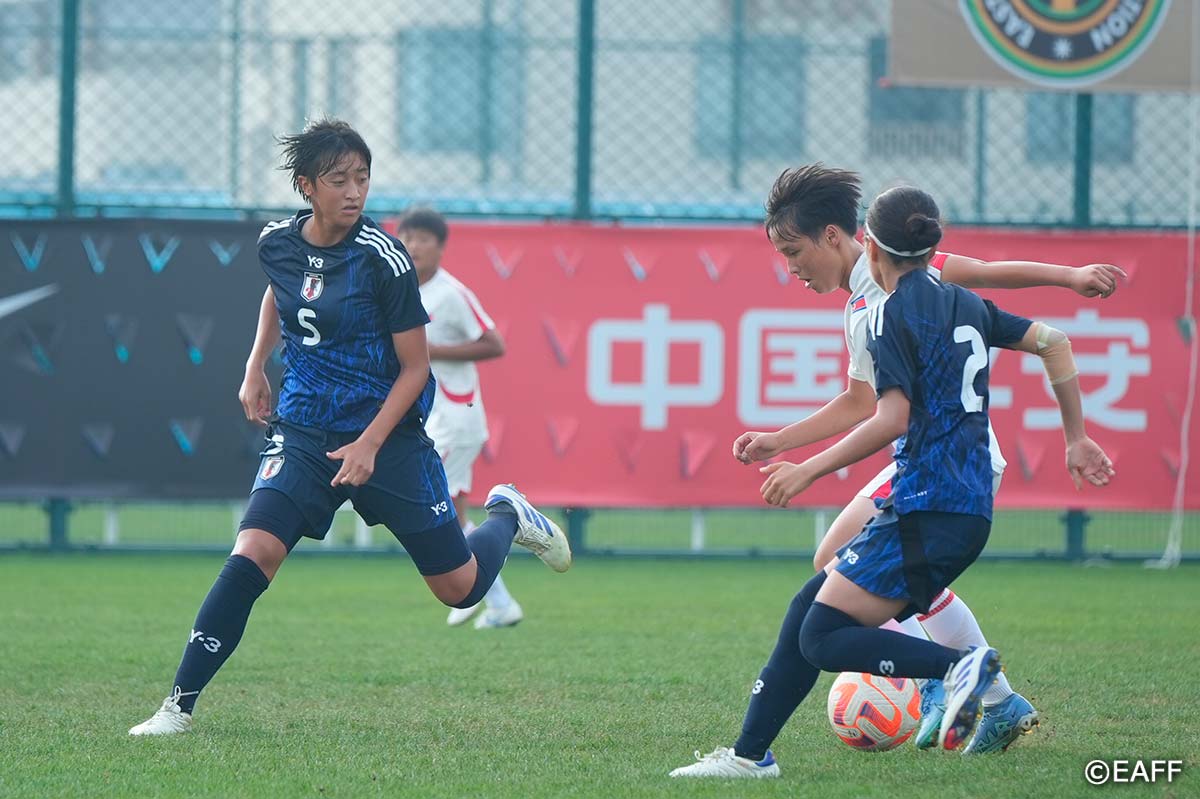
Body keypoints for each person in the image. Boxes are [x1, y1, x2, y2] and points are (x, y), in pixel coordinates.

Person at [129, 119, 571, 736]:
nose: (354, 190)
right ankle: (176, 708)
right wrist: (255, 365)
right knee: (253, 552)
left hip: (387, 438)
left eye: (362, 177)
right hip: (303, 431)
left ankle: (507, 514)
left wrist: (369, 443)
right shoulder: (276, 242)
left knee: (459, 589)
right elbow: (281, 293)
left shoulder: (383, 258)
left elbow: (416, 369)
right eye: (339, 179)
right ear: (306, 185)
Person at [671, 184, 1114, 778]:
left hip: (941, 473)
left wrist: (1070, 277)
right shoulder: (871, 303)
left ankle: (950, 678)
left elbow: (980, 281)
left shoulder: (899, 290)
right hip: (933, 473)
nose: (791, 268)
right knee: (825, 585)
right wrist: (783, 441)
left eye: (793, 252)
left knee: (829, 609)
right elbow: (861, 401)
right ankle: (755, 754)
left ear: (843, 238)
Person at [397, 207, 521, 630]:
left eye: (423, 238)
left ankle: (476, 582)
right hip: (434, 416)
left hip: (457, 416)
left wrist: (431, 351)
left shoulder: (451, 294)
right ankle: (497, 600)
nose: (413, 245)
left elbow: (494, 343)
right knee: (454, 512)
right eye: (407, 237)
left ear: (441, 247)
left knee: (436, 505)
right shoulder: (401, 290)